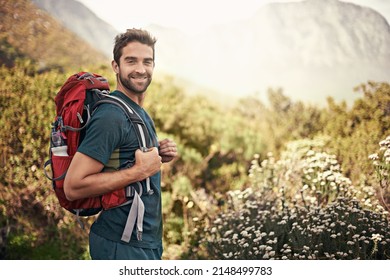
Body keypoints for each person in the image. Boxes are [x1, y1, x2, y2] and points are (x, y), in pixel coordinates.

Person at [63, 28, 177, 260]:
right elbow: (73, 186)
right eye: (131, 61)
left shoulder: (137, 111)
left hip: (143, 242)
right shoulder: (111, 116)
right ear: (116, 66)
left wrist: (158, 152)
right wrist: (139, 171)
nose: (140, 69)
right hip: (121, 244)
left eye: (147, 61)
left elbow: (124, 157)